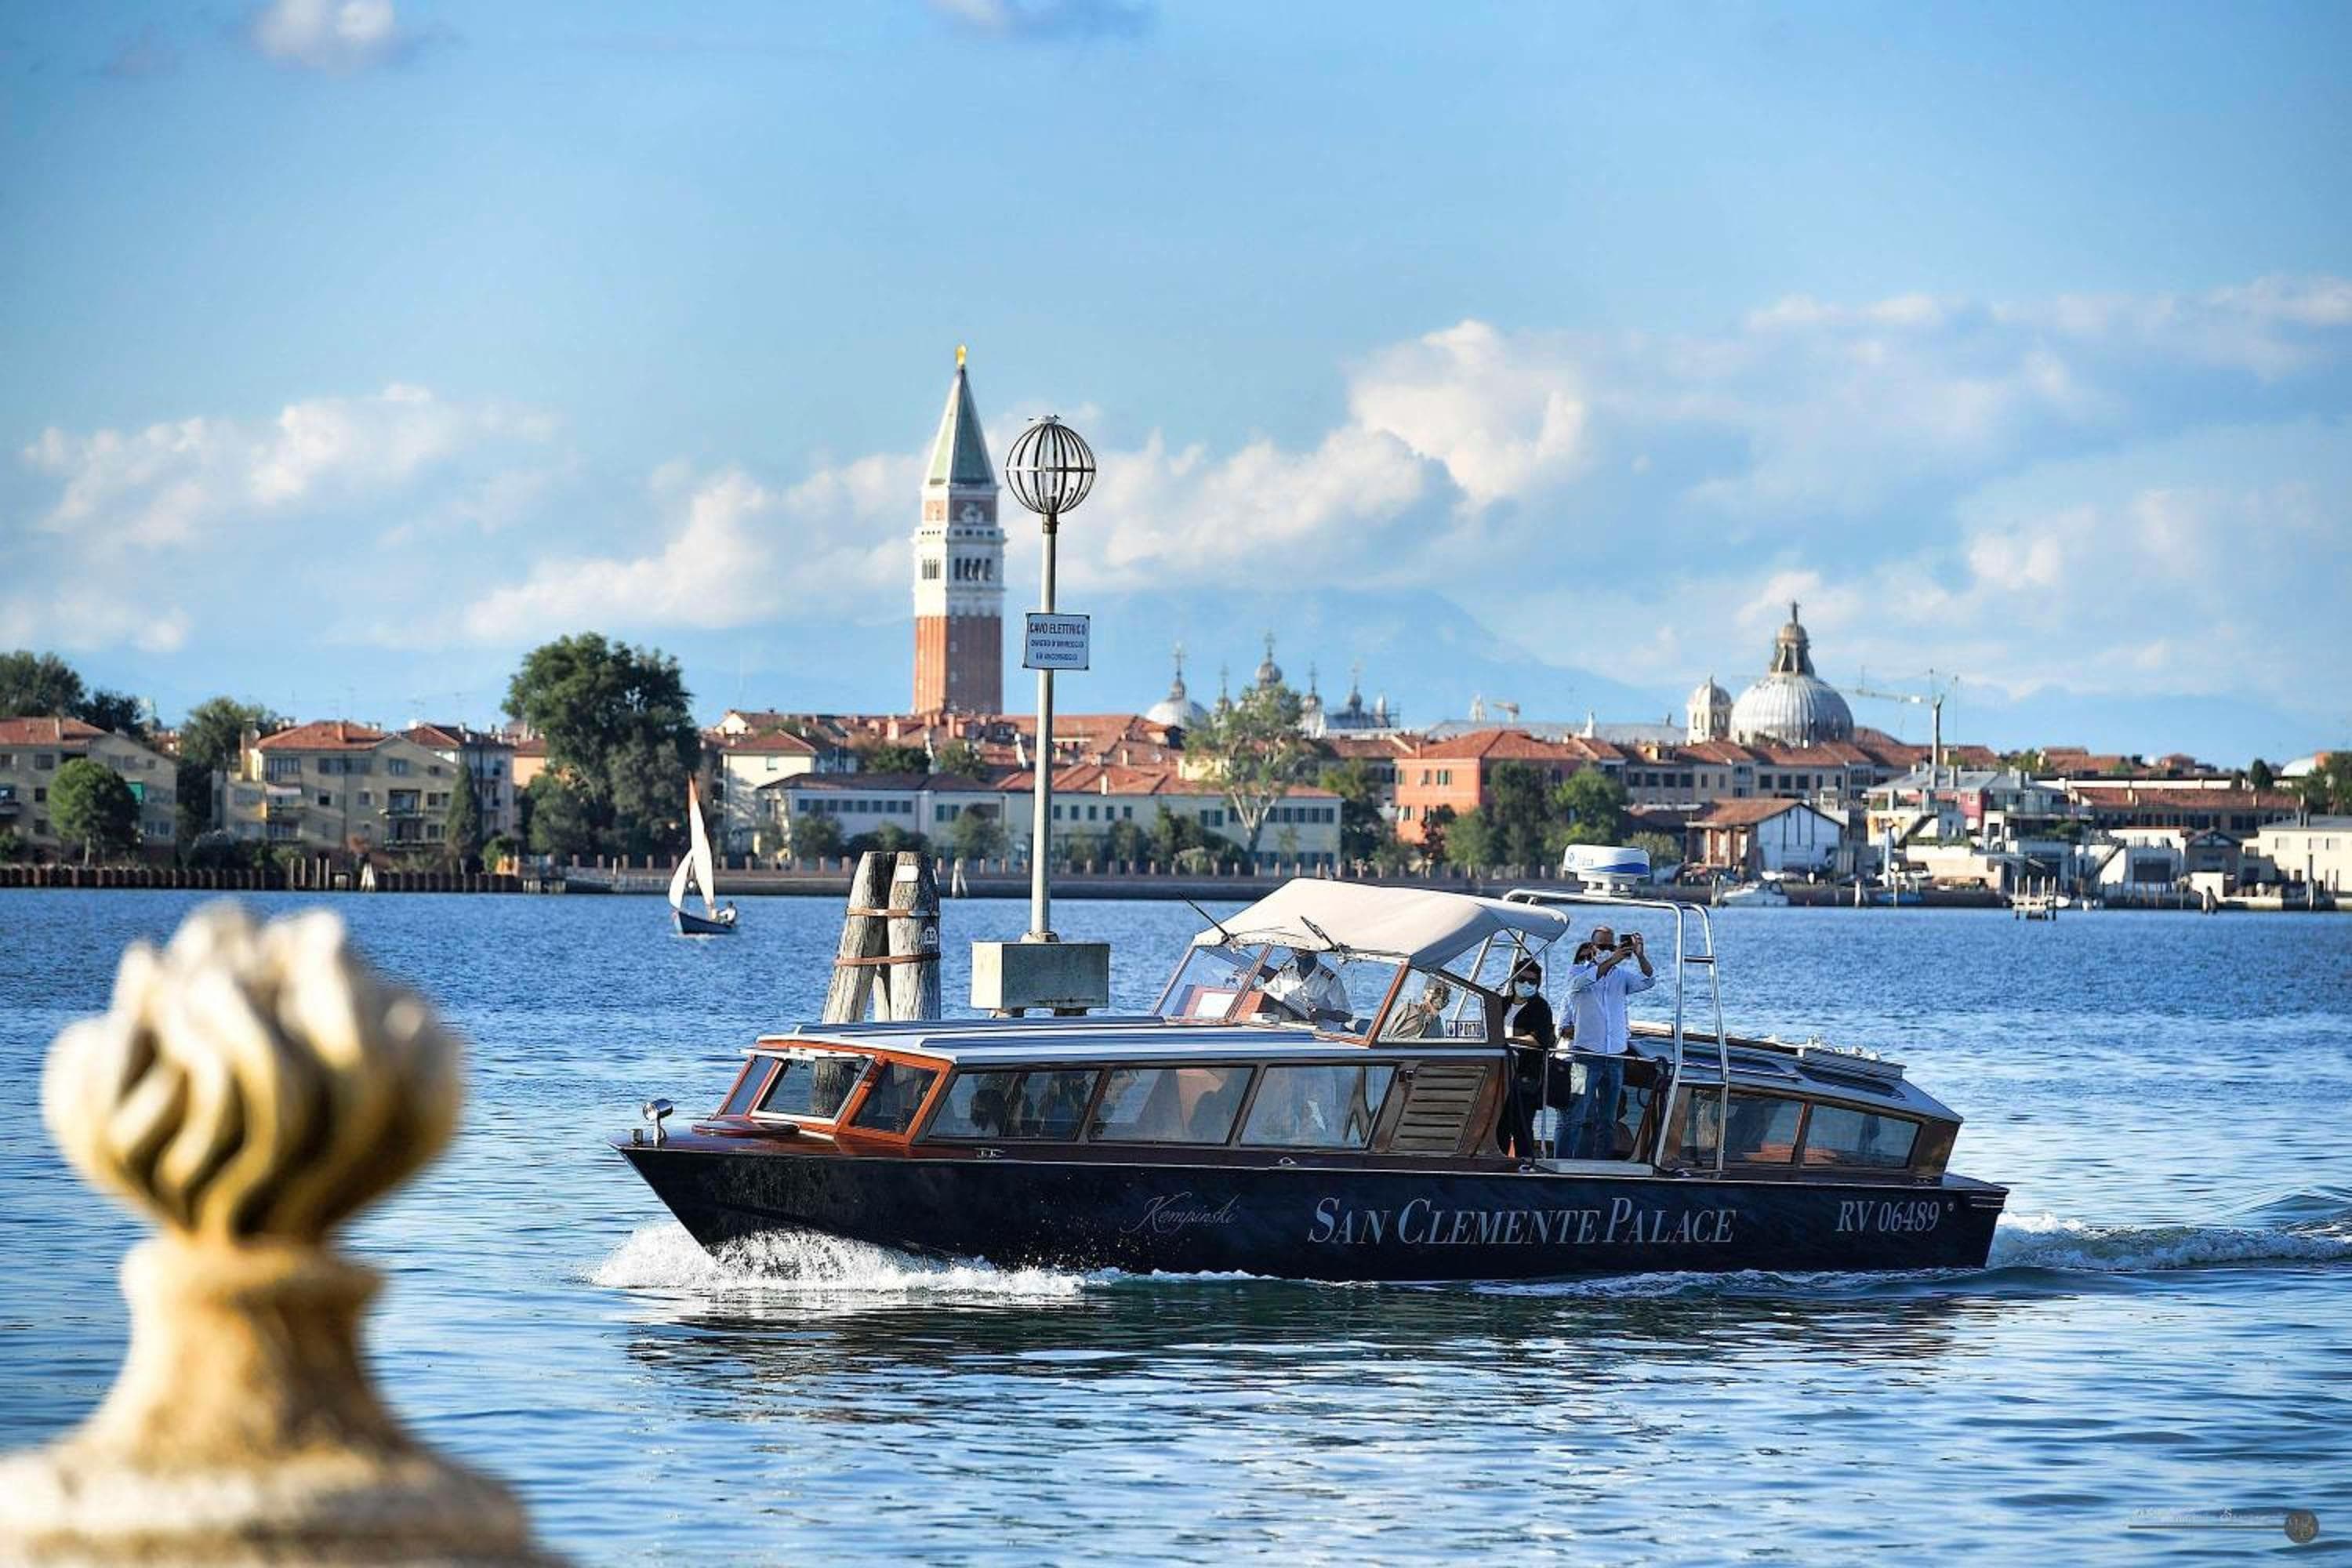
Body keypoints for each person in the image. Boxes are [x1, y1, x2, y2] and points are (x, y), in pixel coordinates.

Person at [1563, 925, 1655, 1159]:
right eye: (1602, 946)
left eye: (1610, 946)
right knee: (1576, 1114)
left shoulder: (1621, 977)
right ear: (1592, 947)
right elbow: (1577, 985)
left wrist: (1640, 955)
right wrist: (1612, 960)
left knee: (1608, 1119)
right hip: (1584, 1056)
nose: (1606, 950)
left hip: (1615, 1057)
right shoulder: (1577, 971)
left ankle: (1601, 1163)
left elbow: (1648, 981)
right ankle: (1564, 1161)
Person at [1498, 960, 1555, 1159]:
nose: (1526, 984)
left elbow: (1541, 1039)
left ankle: (1525, 1164)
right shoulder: (1501, 1003)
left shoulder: (1541, 1007)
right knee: (1500, 1125)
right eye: (1522, 979)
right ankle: (1500, 1163)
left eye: (1532, 981)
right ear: (1514, 979)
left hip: (1525, 1075)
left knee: (1521, 1125)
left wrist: (1509, 1040)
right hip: (1499, 1074)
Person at [1260, 948, 1351, 1023]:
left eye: (1306, 953)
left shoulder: (1330, 980)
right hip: (1291, 1026)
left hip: (1322, 1032)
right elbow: (1264, 992)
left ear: (1315, 953)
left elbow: (1346, 1016)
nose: (1303, 957)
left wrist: (1323, 1014)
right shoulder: (1286, 974)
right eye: (1298, 953)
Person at [1384, 975, 1452, 1039]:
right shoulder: (1407, 1009)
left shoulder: (1438, 1028)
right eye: (1438, 991)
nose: (1442, 995)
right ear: (1426, 993)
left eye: (1446, 993)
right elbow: (1383, 1033)